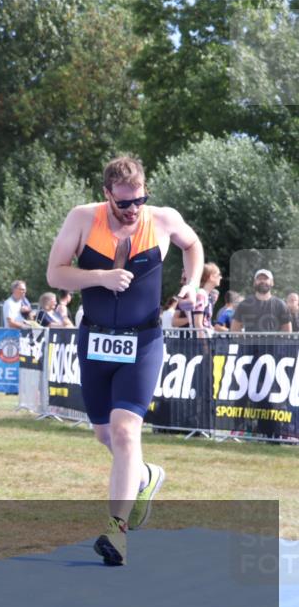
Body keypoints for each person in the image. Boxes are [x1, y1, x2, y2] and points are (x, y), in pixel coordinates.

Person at [47, 154, 204, 566]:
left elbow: (193, 246)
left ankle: (117, 533)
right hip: (95, 340)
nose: (132, 209)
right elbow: (55, 275)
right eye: (123, 203)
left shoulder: (164, 219)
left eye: (139, 200)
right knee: (105, 435)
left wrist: (190, 283)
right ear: (106, 195)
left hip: (145, 340)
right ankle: (146, 476)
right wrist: (98, 277)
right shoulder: (82, 219)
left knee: (124, 431)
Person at [173, 261, 220, 334]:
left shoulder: (208, 296)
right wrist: (191, 319)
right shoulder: (198, 295)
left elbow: (205, 321)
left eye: (185, 279)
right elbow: (197, 324)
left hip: (198, 337)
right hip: (190, 340)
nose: (182, 282)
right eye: (183, 279)